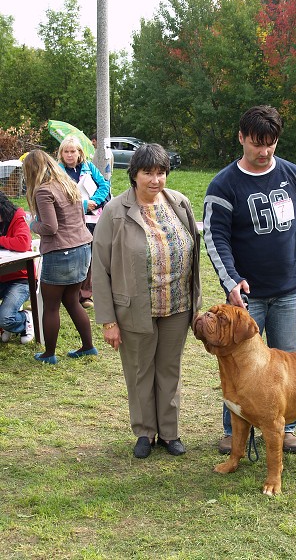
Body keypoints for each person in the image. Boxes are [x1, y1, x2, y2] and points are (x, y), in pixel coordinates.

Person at [203, 105, 296, 455]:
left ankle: (285, 426)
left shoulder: (294, 177)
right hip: (246, 297)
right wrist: (231, 281)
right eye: (257, 143)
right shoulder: (224, 184)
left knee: (289, 364)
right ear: (241, 138)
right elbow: (216, 238)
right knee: (237, 364)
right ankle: (234, 431)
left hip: (289, 290)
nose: (264, 151)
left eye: (271, 143)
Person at [92, 143, 201, 459]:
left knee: (169, 370)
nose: (155, 180)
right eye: (148, 172)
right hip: (133, 308)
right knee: (140, 371)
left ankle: (170, 432)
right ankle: (144, 432)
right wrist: (108, 320)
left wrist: (196, 303)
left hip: (177, 306)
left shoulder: (180, 203)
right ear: (134, 174)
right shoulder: (115, 211)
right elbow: (99, 268)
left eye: (161, 172)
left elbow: (194, 255)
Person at [22, 150, 97, 364]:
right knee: (72, 300)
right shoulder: (67, 184)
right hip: (82, 247)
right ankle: (88, 346)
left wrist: (31, 224)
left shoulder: (44, 191)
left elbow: (50, 227)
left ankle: (49, 354)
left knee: (51, 305)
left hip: (60, 253)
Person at [58, 135, 110, 309]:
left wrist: (94, 201)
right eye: (66, 151)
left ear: (79, 152)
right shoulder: (58, 172)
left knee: (91, 255)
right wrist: (84, 205)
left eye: (73, 151)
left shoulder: (89, 167)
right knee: (73, 254)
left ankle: (86, 294)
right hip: (70, 220)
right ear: (61, 153)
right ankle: (69, 293)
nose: (70, 155)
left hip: (92, 218)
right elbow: (59, 196)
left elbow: (104, 186)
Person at [0, 192, 34, 344]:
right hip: (2, 276)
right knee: (4, 318)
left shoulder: (17, 217)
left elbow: (23, 243)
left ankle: (25, 319)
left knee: (6, 318)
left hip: (20, 279)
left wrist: (0, 240)